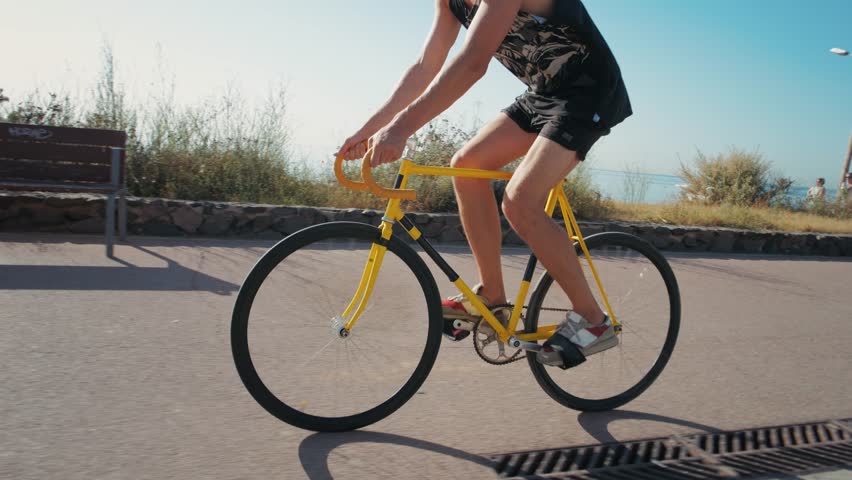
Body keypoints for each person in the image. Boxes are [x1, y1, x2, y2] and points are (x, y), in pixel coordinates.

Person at [337, 0, 632, 367]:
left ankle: (592, 321)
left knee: (521, 201)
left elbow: (474, 60)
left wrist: (401, 129)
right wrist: (368, 132)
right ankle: (492, 296)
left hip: (589, 92)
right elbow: (425, 66)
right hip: (543, 93)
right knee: (466, 165)